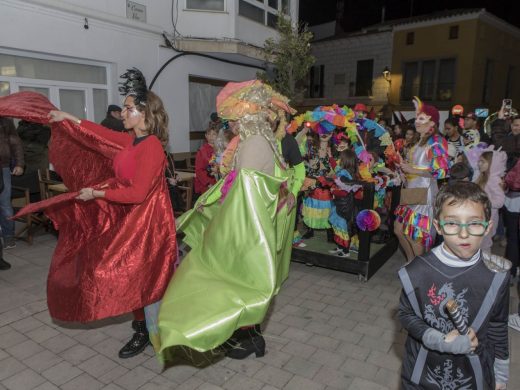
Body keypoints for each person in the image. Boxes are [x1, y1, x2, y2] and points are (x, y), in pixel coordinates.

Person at [4, 69, 177, 359]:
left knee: (142, 278)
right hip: (127, 218)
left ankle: (153, 332)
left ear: (145, 114)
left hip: (146, 225)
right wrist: (68, 118)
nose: (122, 112)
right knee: (129, 275)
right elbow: (101, 134)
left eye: (128, 108)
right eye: (123, 107)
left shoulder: (152, 149)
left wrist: (97, 193)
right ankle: (142, 329)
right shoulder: (131, 140)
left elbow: (137, 194)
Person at [155, 80, 298, 361]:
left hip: (245, 226)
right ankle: (246, 337)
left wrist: (220, 221)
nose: (230, 125)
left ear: (246, 118)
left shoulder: (254, 145)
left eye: (234, 120)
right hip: (251, 224)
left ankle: (248, 339)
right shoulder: (259, 141)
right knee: (242, 280)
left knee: (235, 281)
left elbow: (243, 192)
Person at [398, 181, 510, 390]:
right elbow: (406, 315)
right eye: (452, 223)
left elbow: (497, 325)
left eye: (474, 223)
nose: (464, 233)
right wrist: (438, 340)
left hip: (474, 376)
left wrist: (501, 374)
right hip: (421, 375)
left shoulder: (497, 275)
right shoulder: (415, 272)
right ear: (438, 226)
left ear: (488, 227)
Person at [394, 98, 450, 262]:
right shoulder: (419, 141)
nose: (417, 121)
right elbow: (417, 167)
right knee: (398, 229)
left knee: (416, 236)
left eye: (422, 118)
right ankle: (412, 263)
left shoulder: (436, 142)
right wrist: (404, 169)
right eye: (417, 117)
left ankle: (420, 269)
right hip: (412, 190)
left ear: (432, 122)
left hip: (424, 193)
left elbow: (441, 172)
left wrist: (413, 170)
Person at [473, 148, 507, 252]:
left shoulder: (493, 179)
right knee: (478, 244)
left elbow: (500, 202)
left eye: (482, 161)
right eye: (479, 161)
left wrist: (483, 201)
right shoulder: (482, 176)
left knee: (484, 246)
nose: (479, 164)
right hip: (479, 216)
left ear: (492, 164)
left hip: (488, 219)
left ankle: (485, 266)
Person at [0, 117, 24, 250]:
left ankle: (8, 237)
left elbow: (16, 144)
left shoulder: (5, 121)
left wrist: (20, 164)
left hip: (2, 167)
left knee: (4, 204)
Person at [194, 127, 218, 199]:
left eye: (214, 134)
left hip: (218, 181)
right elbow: (199, 170)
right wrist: (208, 183)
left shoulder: (220, 149)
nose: (211, 137)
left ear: (218, 136)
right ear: (206, 136)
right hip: (206, 183)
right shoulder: (202, 151)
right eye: (209, 134)